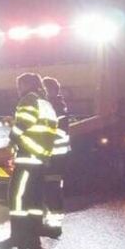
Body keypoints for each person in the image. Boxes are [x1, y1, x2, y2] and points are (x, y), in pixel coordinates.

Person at [0, 72, 58, 249]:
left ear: (27, 85)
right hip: (40, 158)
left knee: (17, 198)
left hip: (28, 156)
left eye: (20, 85)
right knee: (34, 201)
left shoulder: (28, 100)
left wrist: (11, 140)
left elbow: (23, 124)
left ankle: (19, 238)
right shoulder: (45, 103)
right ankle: (34, 241)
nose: (18, 89)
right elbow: (41, 127)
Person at [41, 76, 70, 238]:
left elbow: (56, 131)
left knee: (52, 189)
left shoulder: (55, 107)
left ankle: (55, 225)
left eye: (44, 90)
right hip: (55, 154)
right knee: (50, 188)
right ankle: (51, 222)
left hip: (54, 155)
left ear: (51, 90)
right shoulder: (57, 105)